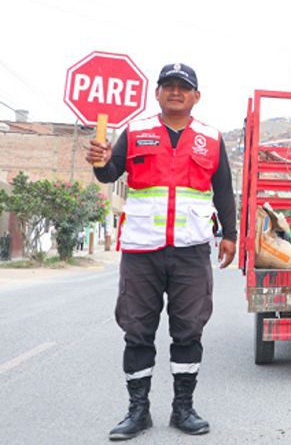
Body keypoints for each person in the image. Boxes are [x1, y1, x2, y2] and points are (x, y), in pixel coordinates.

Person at [86, 63, 237, 440]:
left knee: (189, 330)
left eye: (183, 87)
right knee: (137, 331)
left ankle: (183, 409)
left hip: (190, 250)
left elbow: (222, 191)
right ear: (157, 94)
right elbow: (109, 174)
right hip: (142, 250)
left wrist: (230, 235)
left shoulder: (211, 138)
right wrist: (100, 161)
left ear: (196, 97)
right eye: (168, 86)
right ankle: (138, 411)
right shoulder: (134, 131)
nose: (175, 92)